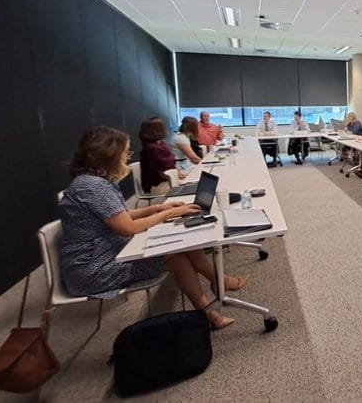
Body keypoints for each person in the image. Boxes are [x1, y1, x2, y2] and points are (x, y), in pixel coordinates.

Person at [58, 126, 248, 330]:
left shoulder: (93, 182)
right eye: (125, 152)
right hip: (93, 270)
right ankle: (211, 312)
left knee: (181, 243)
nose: (128, 157)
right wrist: (166, 214)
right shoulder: (94, 187)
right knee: (178, 259)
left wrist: (160, 208)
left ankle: (218, 283)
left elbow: (118, 217)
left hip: (104, 254)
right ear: (109, 155)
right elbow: (128, 228)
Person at [138, 117, 176, 195]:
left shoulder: (161, 145)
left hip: (165, 180)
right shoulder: (152, 149)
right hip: (157, 185)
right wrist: (178, 179)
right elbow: (164, 173)